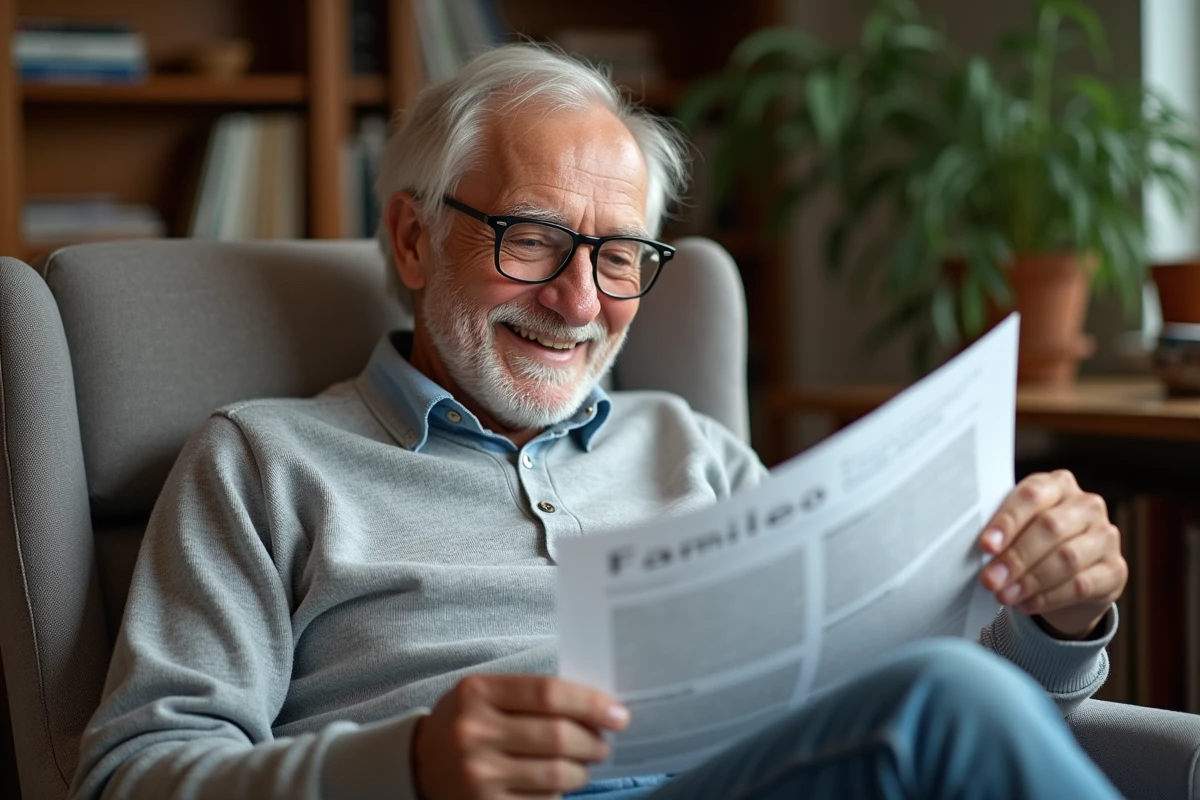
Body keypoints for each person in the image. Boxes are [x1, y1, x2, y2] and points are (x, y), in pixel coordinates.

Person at [71, 45, 1128, 800]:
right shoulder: (265, 460)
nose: (580, 301)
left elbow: (881, 706)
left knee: (938, 691)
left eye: (619, 255)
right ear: (411, 238)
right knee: (936, 703)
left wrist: (1055, 617)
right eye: (531, 239)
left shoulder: (691, 447)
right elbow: (133, 774)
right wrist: (408, 767)